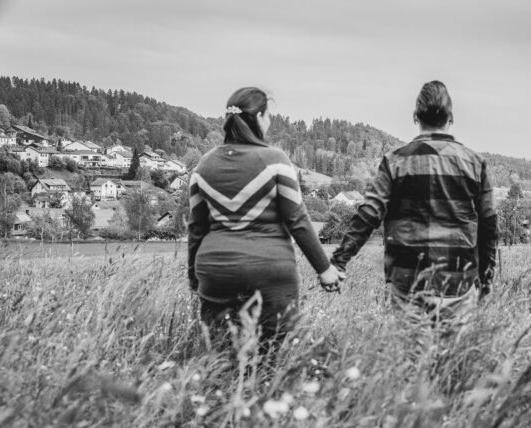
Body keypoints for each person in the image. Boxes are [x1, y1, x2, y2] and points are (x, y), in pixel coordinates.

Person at [188, 86, 341, 358]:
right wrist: (324, 269)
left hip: (215, 272)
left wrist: (193, 277)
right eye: (268, 115)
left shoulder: (203, 166)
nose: (269, 121)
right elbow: (297, 220)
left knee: (222, 356)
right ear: (258, 117)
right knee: (272, 356)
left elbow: (197, 229)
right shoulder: (276, 162)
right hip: (269, 271)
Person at [330, 81, 498, 312]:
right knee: (454, 337)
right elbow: (489, 226)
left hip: (408, 282)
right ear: (450, 117)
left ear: (415, 117)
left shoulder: (395, 162)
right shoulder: (475, 164)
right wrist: (486, 280)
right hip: (458, 282)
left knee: (411, 337)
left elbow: (369, 214)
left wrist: (339, 261)